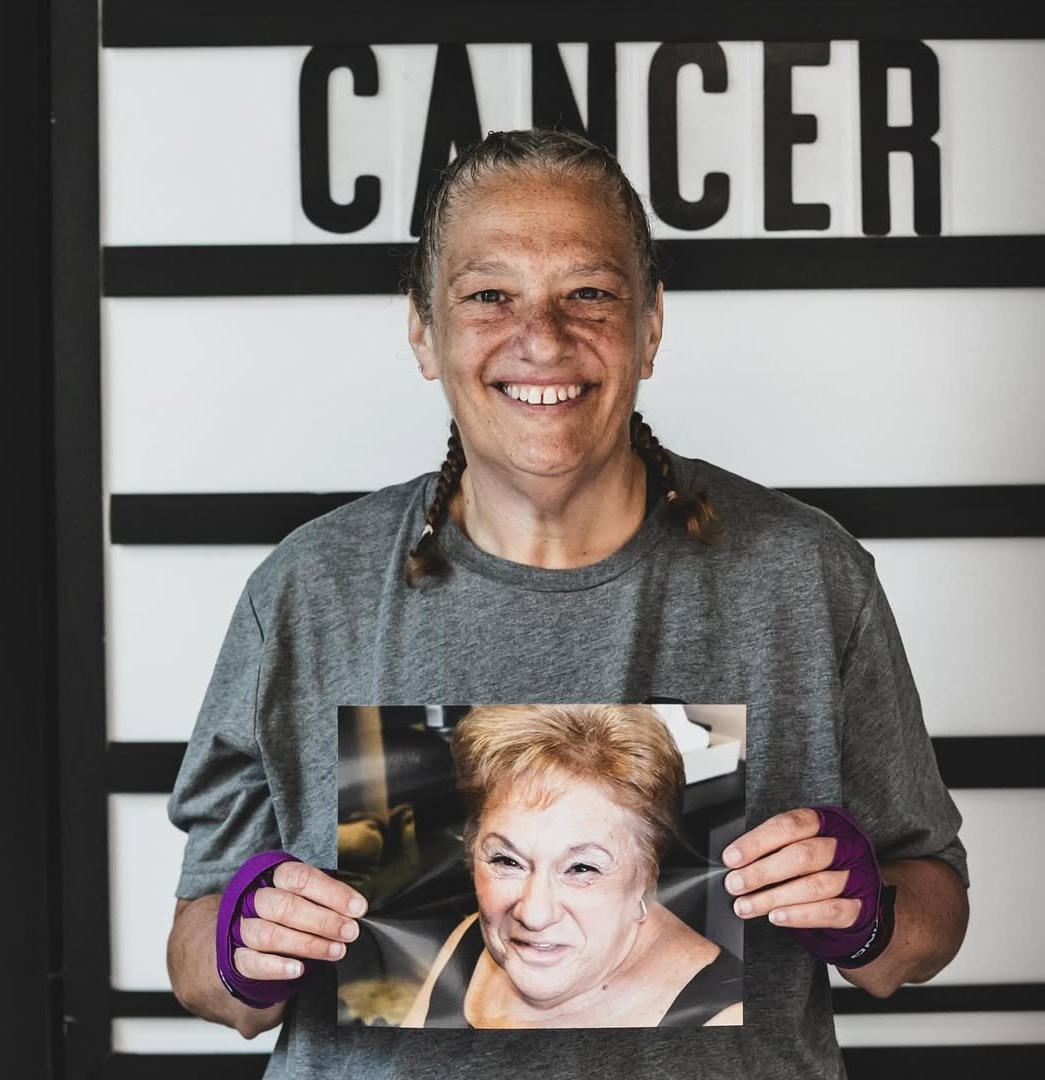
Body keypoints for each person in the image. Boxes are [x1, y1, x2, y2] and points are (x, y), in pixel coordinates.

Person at [166, 130, 969, 1079]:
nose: (541, 337)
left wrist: (870, 911)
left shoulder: (807, 576)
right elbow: (200, 972)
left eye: (589, 293)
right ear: (423, 332)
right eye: (488, 295)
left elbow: (929, 924)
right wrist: (241, 947)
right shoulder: (306, 590)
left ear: (651, 327)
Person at [401, 704, 742, 1028]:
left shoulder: (723, 1018)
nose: (533, 915)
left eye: (581, 868)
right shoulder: (468, 941)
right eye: (507, 861)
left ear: (646, 876)